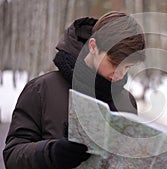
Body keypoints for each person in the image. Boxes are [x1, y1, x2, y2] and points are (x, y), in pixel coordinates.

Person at [3, 11, 145, 169]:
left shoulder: (127, 102)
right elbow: (12, 156)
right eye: (114, 63)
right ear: (93, 46)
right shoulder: (41, 89)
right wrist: (52, 153)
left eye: (127, 67)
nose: (120, 74)